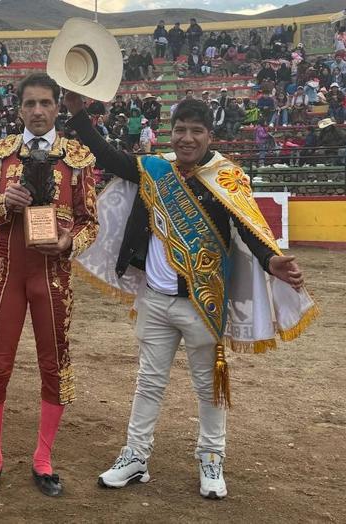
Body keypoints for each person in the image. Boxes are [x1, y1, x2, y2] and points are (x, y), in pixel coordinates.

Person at [65, 94, 317, 500]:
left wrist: (272, 261)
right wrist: (78, 114)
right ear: (172, 132)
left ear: (209, 135)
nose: (186, 138)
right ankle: (135, 456)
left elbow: (249, 229)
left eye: (195, 131)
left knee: (208, 387)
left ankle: (211, 458)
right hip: (155, 299)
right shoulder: (154, 168)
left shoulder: (227, 177)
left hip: (204, 303)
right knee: (148, 382)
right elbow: (106, 156)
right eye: (180, 130)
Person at [0, 73, 98, 498]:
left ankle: (43, 459)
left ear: (58, 106)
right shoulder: (0, 154)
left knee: (53, 364)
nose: (37, 111)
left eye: (45, 103)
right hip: (8, 273)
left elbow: (90, 221)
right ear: (19, 108)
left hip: (53, 275)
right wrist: (4, 202)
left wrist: (68, 241)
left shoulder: (78, 158)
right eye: (30, 104)